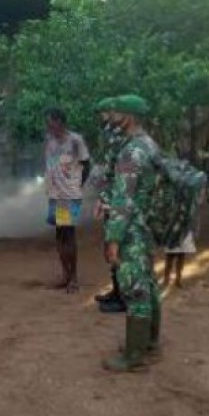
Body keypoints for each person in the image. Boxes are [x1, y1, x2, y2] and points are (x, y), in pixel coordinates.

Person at [101, 95, 163, 372]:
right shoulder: (148, 144)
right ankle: (148, 342)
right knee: (147, 283)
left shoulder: (131, 152)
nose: (111, 115)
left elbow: (124, 200)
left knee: (134, 288)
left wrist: (113, 238)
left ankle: (135, 355)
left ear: (129, 116)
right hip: (146, 225)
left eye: (116, 111)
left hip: (132, 230)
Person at [43, 108, 91, 294]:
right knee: (60, 235)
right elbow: (48, 164)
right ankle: (65, 275)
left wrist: (77, 185)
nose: (49, 125)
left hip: (69, 195)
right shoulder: (49, 141)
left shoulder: (75, 140)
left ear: (61, 121)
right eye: (48, 122)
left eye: (51, 122)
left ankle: (74, 278)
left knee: (68, 234)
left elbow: (86, 164)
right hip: (55, 194)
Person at [90, 97, 127, 308]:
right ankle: (116, 291)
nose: (104, 117)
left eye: (104, 113)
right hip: (109, 197)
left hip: (118, 199)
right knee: (109, 246)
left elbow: (115, 169)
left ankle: (122, 296)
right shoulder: (109, 134)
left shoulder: (120, 136)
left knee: (117, 247)